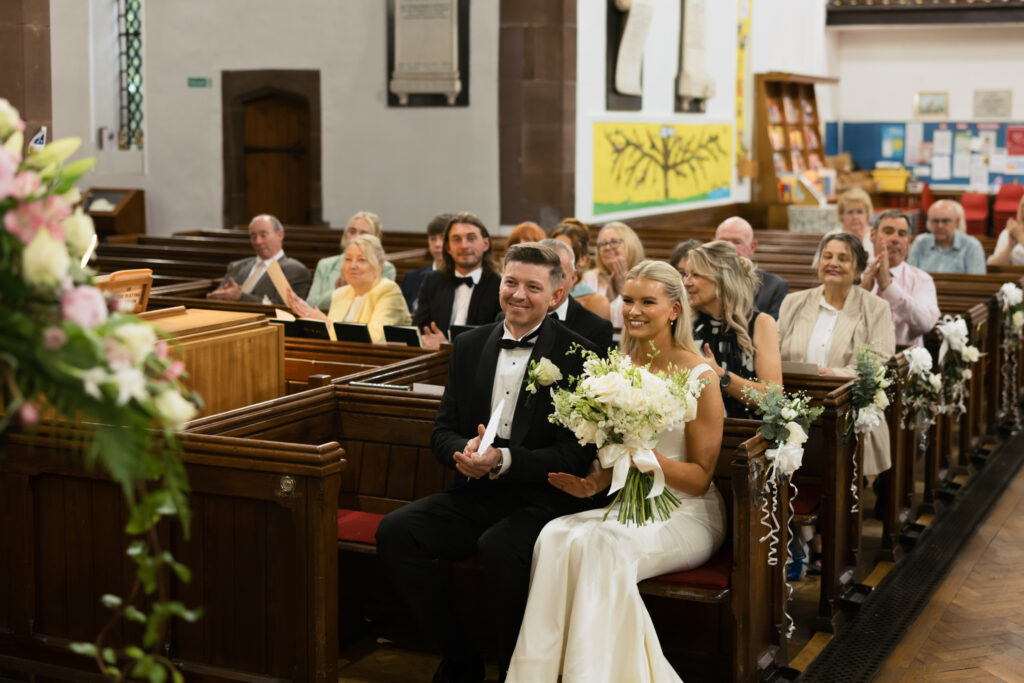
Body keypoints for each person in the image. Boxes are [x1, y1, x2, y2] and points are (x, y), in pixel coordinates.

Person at [376, 244, 599, 683]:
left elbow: (575, 454)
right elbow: (442, 431)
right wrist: (464, 455)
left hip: (542, 498)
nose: (517, 294)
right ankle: (460, 657)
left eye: (533, 287)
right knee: (396, 532)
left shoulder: (579, 356)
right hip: (476, 491)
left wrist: (506, 460)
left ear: (555, 296)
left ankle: (515, 671)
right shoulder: (468, 344)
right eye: (510, 282)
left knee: (498, 547)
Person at [507, 260, 725, 683]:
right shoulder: (617, 368)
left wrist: (650, 459)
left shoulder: (700, 375)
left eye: (648, 302)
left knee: (602, 548)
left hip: (685, 513)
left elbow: (700, 478)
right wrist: (591, 484)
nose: (634, 310)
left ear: (675, 310)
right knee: (554, 536)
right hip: (628, 505)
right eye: (627, 300)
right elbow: (613, 456)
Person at [778, 233, 896, 476]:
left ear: (858, 270)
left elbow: (877, 361)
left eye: (843, 258)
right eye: (827, 256)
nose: (833, 263)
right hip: (793, 406)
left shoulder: (876, 308)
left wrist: (834, 374)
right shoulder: (793, 302)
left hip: (848, 407)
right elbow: (773, 352)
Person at [684, 240, 782, 419]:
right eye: (686, 274)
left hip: (745, 433)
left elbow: (773, 398)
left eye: (695, 275)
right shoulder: (682, 324)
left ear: (721, 280)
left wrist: (721, 375)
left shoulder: (761, 323)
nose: (686, 282)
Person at [285, 234, 410, 343]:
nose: (352, 266)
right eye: (348, 259)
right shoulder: (341, 293)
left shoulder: (388, 291)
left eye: (361, 260)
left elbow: (374, 340)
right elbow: (333, 340)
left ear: (379, 267)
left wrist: (325, 323)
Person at [413, 212, 503, 349]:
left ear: (485, 244)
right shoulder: (432, 281)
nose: (464, 245)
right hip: (435, 361)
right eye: (456, 239)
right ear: (448, 247)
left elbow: (496, 337)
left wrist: (448, 345)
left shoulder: (499, 285)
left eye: (471, 238)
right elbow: (419, 328)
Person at [861, 209, 940, 347]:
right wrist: (862, 291)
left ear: (908, 241)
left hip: (904, 361)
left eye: (902, 234)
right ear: (873, 235)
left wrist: (888, 287)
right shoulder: (857, 273)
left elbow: (926, 324)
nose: (895, 239)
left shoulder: (921, 279)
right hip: (857, 358)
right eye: (888, 231)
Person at [207, 214, 310, 305]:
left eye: (263, 235)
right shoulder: (237, 266)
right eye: (253, 236)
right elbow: (216, 296)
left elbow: (282, 307)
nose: (258, 242)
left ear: (280, 235)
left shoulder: (295, 270)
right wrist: (218, 295)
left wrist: (241, 297)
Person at [306, 211, 397, 309]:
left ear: (375, 239)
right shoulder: (326, 264)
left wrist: (346, 290)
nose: (356, 237)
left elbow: (377, 304)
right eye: (352, 231)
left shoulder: (385, 268)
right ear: (345, 235)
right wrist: (341, 292)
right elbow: (310, 304)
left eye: (363, 233)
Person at [540, 238, 614, 352]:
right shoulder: (509, 318)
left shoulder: (597, 329)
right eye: (540, 275)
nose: (549, 284)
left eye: (559, 276)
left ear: (573, 278)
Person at [715, 216, 789, 319]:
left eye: (737, 242)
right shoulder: (699, 281)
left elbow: (774, 330)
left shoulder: (774, 286)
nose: (728, 247)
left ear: (752, 247)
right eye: (722, 241)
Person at [581, 221, 644, 330]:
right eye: (603, 244)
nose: (607, 247)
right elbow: (584, 322)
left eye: (614, 242)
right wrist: (607, 300)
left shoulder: (646, 276)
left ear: (630, 243)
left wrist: (624, 291)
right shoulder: (589, 278)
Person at [550, 218, 611, 319]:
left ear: (583, 259)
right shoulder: (536, 293)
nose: (557, 256)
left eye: (567, 251)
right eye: (553, 249)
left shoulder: (596, 303)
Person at [907, 199, 986, 274]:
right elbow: (909, 278)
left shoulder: (972, 246)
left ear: (956, 222)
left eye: (945, 221)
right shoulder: (920, 244)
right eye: (935, 221)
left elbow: (977, 283)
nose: (940, 226)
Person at [401, 212, 452, 312]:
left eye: (443, 238)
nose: (437, 244)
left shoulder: (461, 278)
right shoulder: (411, 278)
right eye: (433, 239)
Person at [986, 195, 1024, 266]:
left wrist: (1019, 237)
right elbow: (993, 267)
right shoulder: (1008, 233)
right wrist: (1010, 246)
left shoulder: (1017, 233)